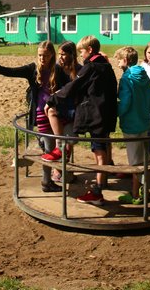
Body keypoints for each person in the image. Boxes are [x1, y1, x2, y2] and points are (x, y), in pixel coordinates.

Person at [0, 40, 70, 193]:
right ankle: (46, 183)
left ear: (52, 55)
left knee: (59, 148)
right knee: (49, 150)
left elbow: (70, 85)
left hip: (56, 113)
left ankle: (58, 175)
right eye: (40, 55)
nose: (42, 58)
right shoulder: (32, 69)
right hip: (41, 113)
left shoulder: (58, 70)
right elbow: (12, 71)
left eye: (46, 55)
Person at [47, 35, 118, 205]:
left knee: (99, 153)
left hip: (97, 116)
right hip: (106, 114)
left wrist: (52, 99)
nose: (81, 55)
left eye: (82, 52)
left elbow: (74, 87)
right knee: (101, 150)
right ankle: (100, 185)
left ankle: (97, 193)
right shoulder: (106, 66)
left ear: (90, 50)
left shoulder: (91, 67)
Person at [114, 46, 150, 205]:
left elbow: (125, 103)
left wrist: (117, 112)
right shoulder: (144, 76)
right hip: (144, 124)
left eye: (119, 60)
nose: (118, 63)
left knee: (134, 162)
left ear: (125, 60)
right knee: (142, 158)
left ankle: (135, 195)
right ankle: (145, 192)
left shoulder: (126, 79)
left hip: (131, 126)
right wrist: (144, 112)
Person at [43, 41, 83, 183]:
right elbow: (54, 89)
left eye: (64, 54)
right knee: (61, 138)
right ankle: (58, 170)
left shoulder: (79, 69)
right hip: (61, 106)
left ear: (72, 54)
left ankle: (63, 170)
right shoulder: (58, 68)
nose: (61, 57)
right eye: (59, 54)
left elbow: (76, 90)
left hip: (73, 108)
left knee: (70, 140)